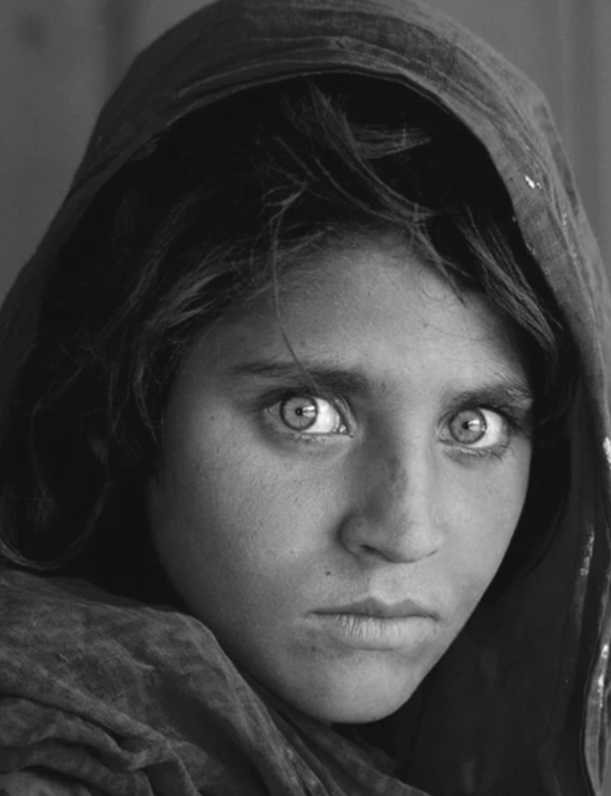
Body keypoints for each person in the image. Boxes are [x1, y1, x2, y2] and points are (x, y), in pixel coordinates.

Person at [0, 0, 609, 794]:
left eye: (473, 424)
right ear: (122, 404)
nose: (404, 531)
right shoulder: (62, 754)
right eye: (307, 414)